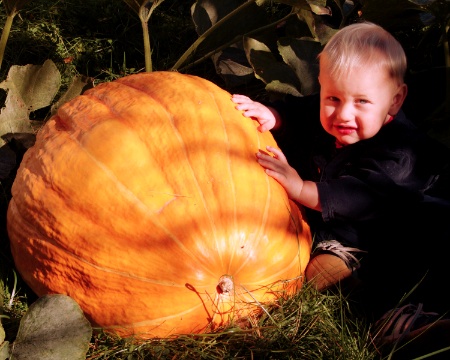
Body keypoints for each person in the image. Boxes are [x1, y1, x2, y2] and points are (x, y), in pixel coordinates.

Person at [232, 21, 450, 350]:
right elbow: (305, 112)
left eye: (362, 101)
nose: (343, 114)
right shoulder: (337, 115)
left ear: (395, 100)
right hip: (350, 233)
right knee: (318, 275)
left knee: (379, 276)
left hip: (397, 233)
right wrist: (274, 115)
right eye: (332, 97)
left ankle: (398, 323)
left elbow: (356, 197)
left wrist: (298, 186)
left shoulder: (399, 155)